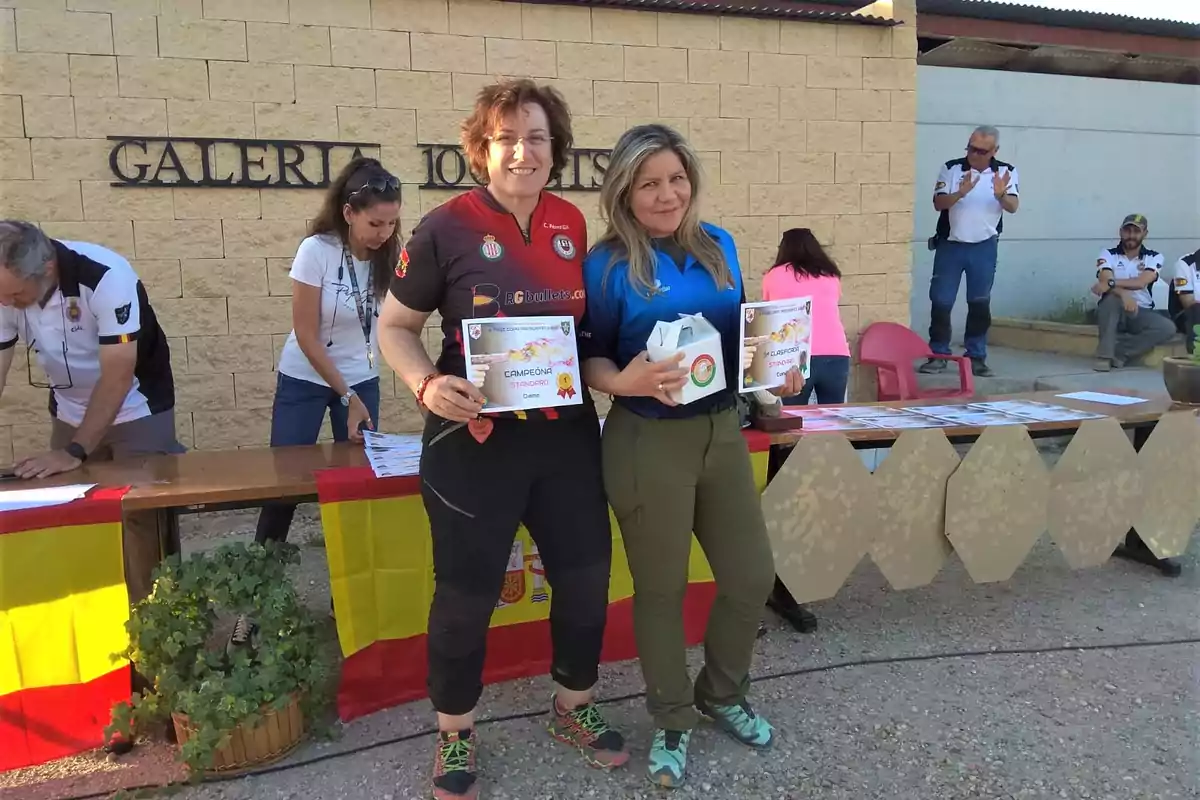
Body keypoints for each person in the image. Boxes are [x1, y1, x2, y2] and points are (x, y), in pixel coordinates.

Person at [376, 79, 628, 800]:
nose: (524, 150)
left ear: (556, 150)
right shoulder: (443, 227)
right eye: (507, 137)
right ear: (481, 149)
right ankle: (455, 730)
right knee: (466, 594)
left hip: (566, 438)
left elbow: (582, 334)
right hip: (473, 443)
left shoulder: (571, 225)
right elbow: (394, 328)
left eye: (538, 137)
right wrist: (427, 384)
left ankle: (572, 707)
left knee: (584, 581)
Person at [579, 123, 802, 789]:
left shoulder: (719, 245)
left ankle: (722, 691)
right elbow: (587, 353)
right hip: (648, 439)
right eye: (649, 183)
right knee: (663, 589)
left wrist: (775, 371)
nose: (666, 193)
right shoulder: (608, 263)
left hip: (721, 431)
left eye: (676, 179)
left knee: (750, 576)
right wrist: (623, 380)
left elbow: (738, 339)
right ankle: (672, 717)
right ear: (624, 189)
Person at [253, 157, 398, 545]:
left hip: (362, 380)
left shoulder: (391, 258)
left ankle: (347, 599)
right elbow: (306, 334)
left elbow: (397, 326)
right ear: (349, 213)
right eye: (375, 223)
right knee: (284, 485)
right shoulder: (316, 251)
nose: (383, 233)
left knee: (358, 486)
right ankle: (264, 580)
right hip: (305, 378)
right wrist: (345, 394)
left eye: (391, 223)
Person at [0, 221, 182, 477]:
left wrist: (74, 451)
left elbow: (118, 376)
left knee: (140, 509)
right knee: (77, 510)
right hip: (68, 412)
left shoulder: (106, 276)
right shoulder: (4, 295)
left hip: (136, 408)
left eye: (16, 294)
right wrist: (69, 449)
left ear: (47, 269)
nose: (5, 303)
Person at [919, 125, 1020, 379]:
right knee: (941, 301)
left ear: (994, 150)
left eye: (981, 151)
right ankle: (938, 354)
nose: (974, 154)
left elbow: (1013, 206)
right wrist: (959, 193)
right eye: (971, 148)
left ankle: (976, 356)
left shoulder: (1006, 172)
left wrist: (1000, 195)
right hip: (951, 245)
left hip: (984, 246)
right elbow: (938, 203)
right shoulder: (953, 168)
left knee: (979, 303)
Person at [762, 227, 851, 405]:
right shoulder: (831, 275)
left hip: (795, 354)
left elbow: (769, 312)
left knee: (793, 418)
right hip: (836, 353)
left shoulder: (774, 275)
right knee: (834, 418)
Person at [1089, 214, 1177, 371]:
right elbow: (1105, 277)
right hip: (1113, 309)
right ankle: (1104, 357)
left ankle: (1120, 353)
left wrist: (1110, 283)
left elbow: (1141, 282)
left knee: (1167, 328)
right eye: (1127, 230)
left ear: (1145, 234)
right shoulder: (1108, 254)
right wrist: (1123, 295)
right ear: (1120, 232)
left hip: (1140, 310)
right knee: (1110, 300)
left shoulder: (1154, 257)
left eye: (1136, 231)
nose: (1131, 235)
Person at [1168, 247, 1198, 354]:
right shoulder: (1185, 263)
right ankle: (1196, 355)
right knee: (1197, 309)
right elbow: (1187, 302)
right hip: (1186, 315)